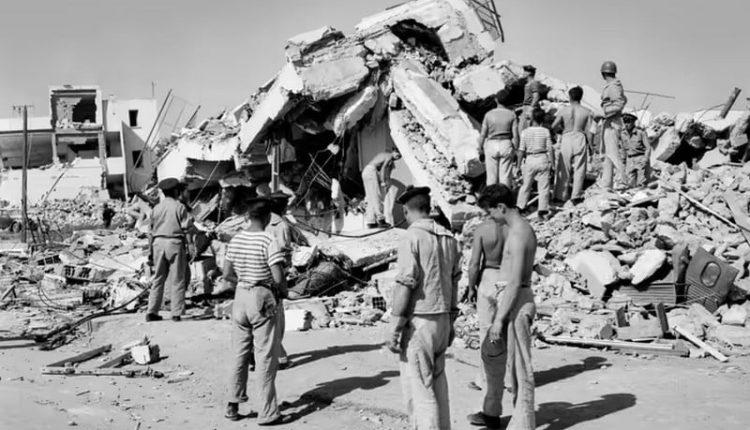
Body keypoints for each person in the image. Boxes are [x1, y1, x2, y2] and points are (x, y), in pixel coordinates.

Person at [385, 186, 460, 430]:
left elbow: (406, 282)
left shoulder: (411, 237)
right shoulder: (449, 238)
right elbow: (455, 281)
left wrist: (394, 326)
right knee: (438, 386)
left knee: (421, 392)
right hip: (442, 319)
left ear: (407, 211)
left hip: (421, 320)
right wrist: (451, 320)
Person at [467, 184, 537, 430]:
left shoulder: (518, 234)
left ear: (501, 207)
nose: (490, 217)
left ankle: (523, 423)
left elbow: (515, 281)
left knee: (520, 368)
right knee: (494, 357)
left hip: (515, 301)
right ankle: (491, 413)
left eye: (490, 211)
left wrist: (498, 320)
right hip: (507, 298)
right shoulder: (517, 229)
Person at [223, 197, 289, 425]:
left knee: (239, 354)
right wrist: (281, 290)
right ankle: (268, 412)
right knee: (265, 357)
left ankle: (232, 404)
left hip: (240, 297)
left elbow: (226, 273)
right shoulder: (268, 240)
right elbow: (278, 277)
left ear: (248, 216)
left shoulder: (236, 239)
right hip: (262, 297)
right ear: (268, 217)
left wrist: (244, 280)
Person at [465, 214, 508, 392]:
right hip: (508, 276)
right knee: (508, 330)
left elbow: (474, 263)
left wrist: (471, 287)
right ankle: (511, 379)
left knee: (486, 330)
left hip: (488, 276)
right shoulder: (514, 228)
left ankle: (485, 379)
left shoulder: (482, 229)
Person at [146, 178, 194, 322]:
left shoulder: (156, 208)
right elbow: (187, 229)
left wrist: (150, 252)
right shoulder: (180, 207)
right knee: (178, 278)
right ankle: (176, 312)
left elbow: (150, 232)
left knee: (158, 278)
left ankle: (152, 311)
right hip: (174, 242)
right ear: (175, 191)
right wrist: (191, 245)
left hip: (158, 243)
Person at [551, 86, 594, 203]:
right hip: (580, 135)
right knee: (580, 168)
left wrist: (560, 131)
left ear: (570, 96)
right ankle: (576, 195)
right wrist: (591, 145)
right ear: (581, 97)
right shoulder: (587, 111)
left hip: (566, 136)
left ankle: (560, 195)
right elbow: (589, 131)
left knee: (563, 167)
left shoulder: (564, 110)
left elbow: (554, 125)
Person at [516, 108, 553, 218]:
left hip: (530, 159)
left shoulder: (525, 132)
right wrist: (553, 163)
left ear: (532, 118)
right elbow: (550, 148)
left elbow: (521, 150)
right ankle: (542, 211)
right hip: (542, 158)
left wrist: (518, 165)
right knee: (544, 187)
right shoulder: (545, 131)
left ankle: (520, 207)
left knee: (526, 185)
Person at [480, 90, 519, 187]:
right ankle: (504, 195)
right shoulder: (512, 115)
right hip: (506, 143)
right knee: (505, 177)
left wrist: (480, 147)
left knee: (491, 177)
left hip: (491, 144)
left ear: (496, 100)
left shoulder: (488, 114)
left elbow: (483, 134)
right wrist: (516, 149)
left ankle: (490, 195)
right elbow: (515, 135)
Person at [600, 60, 628, 190]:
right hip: (610, 121)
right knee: (608, 155)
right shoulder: (614, 85)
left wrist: (605, 112)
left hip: (612, 122)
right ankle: (607, 184)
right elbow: (624, 99)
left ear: (603, 73)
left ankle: (623, 181)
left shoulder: (613, 86)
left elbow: (619, 104)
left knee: (613, 154)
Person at [362, 148, 401, 228]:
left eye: (400, 157)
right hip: (371, 171)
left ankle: (370, 221)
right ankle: (381, 219)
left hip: (366, 171)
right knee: (376, 195)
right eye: (398, 155)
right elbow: (383, 168)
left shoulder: (385, 155)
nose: (398, 157)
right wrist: (383, 182)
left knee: (370, 197)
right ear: (394, 152)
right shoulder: (389, 156)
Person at [622, 112, 651, 188]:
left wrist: (645, 159)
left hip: (640, 157)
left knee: (641, 183)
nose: (626, 124)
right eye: (625, 122)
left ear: (633, 122)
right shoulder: (623, 134)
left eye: (628, 122)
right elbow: (623, 149)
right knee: (630, 184)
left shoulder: (640, 133)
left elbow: (648, 148)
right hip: (629, 160)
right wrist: (623, 161)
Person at [518, 65, 542, 132]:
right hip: (526, 106)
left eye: (525, 71)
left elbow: (536, 96)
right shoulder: (528, 84)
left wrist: (531, 108)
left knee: (524, 128)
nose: (523, 73)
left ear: (529, 73)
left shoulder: (533, 83)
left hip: (530, 107)